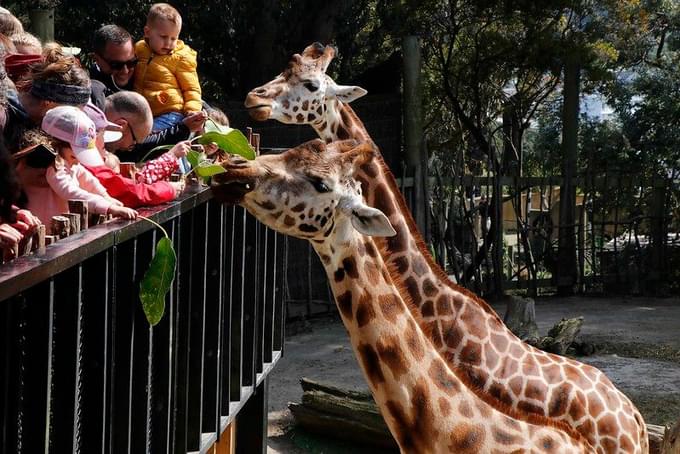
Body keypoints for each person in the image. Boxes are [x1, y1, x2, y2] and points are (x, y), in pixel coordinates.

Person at [25, 106, 137, 231]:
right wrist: (108, 207)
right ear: (56, 144)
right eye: (75, 156)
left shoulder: (70, 162)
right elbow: (70, 192)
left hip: (61, 229)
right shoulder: (53, 166)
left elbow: (89, 180)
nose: (78, 161)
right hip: (46, 230)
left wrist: (106, 197)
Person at [133, 3, 203, 131]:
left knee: (144, 136)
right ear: (147, 32)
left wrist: (192, 109)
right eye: (164, 37)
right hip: (145, 113)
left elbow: (191, 88)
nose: (169, 43)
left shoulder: (181, 57)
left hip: (170, 114)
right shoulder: (139, 49)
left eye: (173, 38)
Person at [90, 24, 137, 96]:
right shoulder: (88, 90)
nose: (125, 71)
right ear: (97, 59)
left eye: (131, 62)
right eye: (117, 65)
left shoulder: (146, 76)